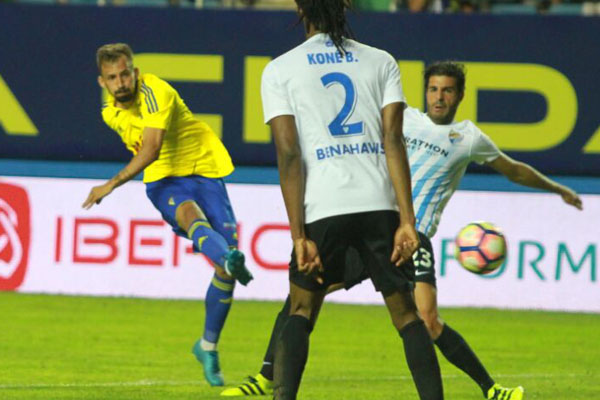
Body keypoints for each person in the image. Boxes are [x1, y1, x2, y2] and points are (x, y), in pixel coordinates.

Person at [221, 61, 583, 399]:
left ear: (460, 95)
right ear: (425, 92)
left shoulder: (468, 136)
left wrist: (558, 189)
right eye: (434, 89)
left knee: (427, 319)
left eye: (448, 90)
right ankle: (266, 377)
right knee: (304, 296)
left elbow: (513, 169)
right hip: (376, 227)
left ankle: (491, 388)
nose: (439, 97)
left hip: (414, 236)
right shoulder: (404, 120)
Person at [259, 1, 446, 399]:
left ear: (300, 9)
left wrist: (298, 235)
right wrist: (407, 221)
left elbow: (289, 155)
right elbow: (393, 141)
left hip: (323, 206)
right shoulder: (381, 61)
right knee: (407, 316)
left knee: (301, 310)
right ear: (344, 6)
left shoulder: (280, 69)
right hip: (378, 203)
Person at [82, 43, 254, 387]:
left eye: (125, 74)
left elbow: (151, 146)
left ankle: (207, 346)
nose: (121, 83)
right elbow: (152, 156)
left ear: (135, 71)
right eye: (113, 78)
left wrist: (111, 184)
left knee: (223, 268)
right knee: (193, 219)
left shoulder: (156, 90)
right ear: (103, 82)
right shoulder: (110, 113)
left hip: (203, 168)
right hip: (163, 180)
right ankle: (231, 260)